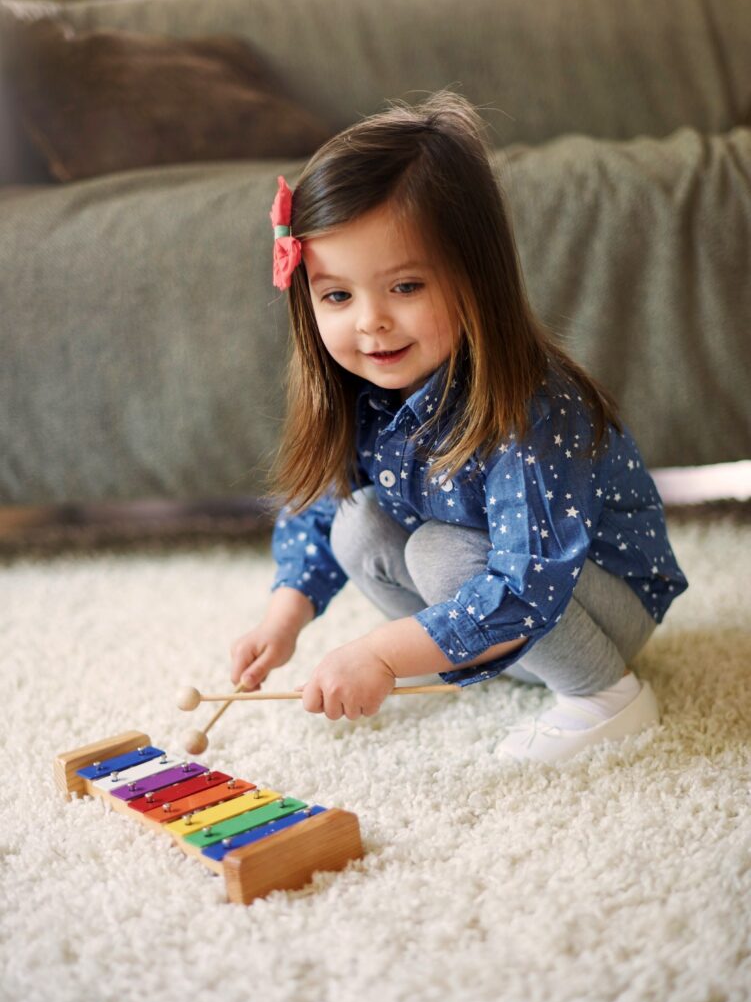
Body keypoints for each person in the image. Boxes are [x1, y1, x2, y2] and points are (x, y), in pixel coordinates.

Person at [230, 89, 688, 764]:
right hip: (510, 611)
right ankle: (479, 658)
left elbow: (529, 580)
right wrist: (284, 616)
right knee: (356, 522)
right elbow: (318, 511)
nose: (370, 322)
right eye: (337, 295)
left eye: (405, 287)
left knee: (439, 553)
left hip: (599, 604)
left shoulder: (529, 403)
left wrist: (381, 655)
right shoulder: (361, 390)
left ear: (474, 278)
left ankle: (605, 696)